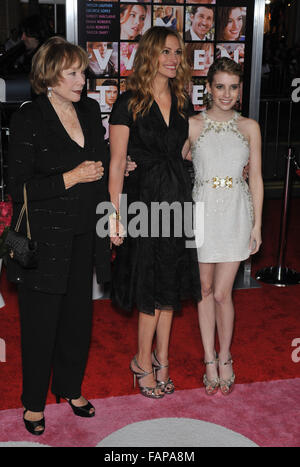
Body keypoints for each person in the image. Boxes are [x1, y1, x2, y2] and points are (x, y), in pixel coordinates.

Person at [7, 37, 110, 435]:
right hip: (43, 240)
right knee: (40, 324)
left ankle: (69, 387)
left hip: (83, 232)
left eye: (82, 71)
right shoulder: (29, 118)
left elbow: (98, 166)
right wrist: (72, 177)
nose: (82, 79)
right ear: (50, 76)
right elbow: (19, 190)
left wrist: (111, 209)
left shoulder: (88, 109)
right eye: (73, 72)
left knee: (77, 320)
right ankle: (34, 402)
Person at [108, 26, 201, 399]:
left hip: (177, 199)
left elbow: (187, 152)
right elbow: (116, 165)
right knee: (149, 286)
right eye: (164, 52)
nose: (173, 59)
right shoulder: (127, 103)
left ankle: (163, 358)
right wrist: (112, 215)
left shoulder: (182, 103)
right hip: (143, 202)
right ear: (148, 55)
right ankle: (141, 361)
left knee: (169, 285)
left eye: (177, 53)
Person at [184, 57, 263, 395]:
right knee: (202, 290)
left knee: (221, 293)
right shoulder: (193, 125)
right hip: (201, 210)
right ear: (209, 89)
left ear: (240, 90)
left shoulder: (249, 127)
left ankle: (226, 355)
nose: (227, 94)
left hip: (234, 211)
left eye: (233, 87)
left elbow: (256, 177)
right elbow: (174, 159)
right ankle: (209, 358)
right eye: (220, 86)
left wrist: (257, 225)